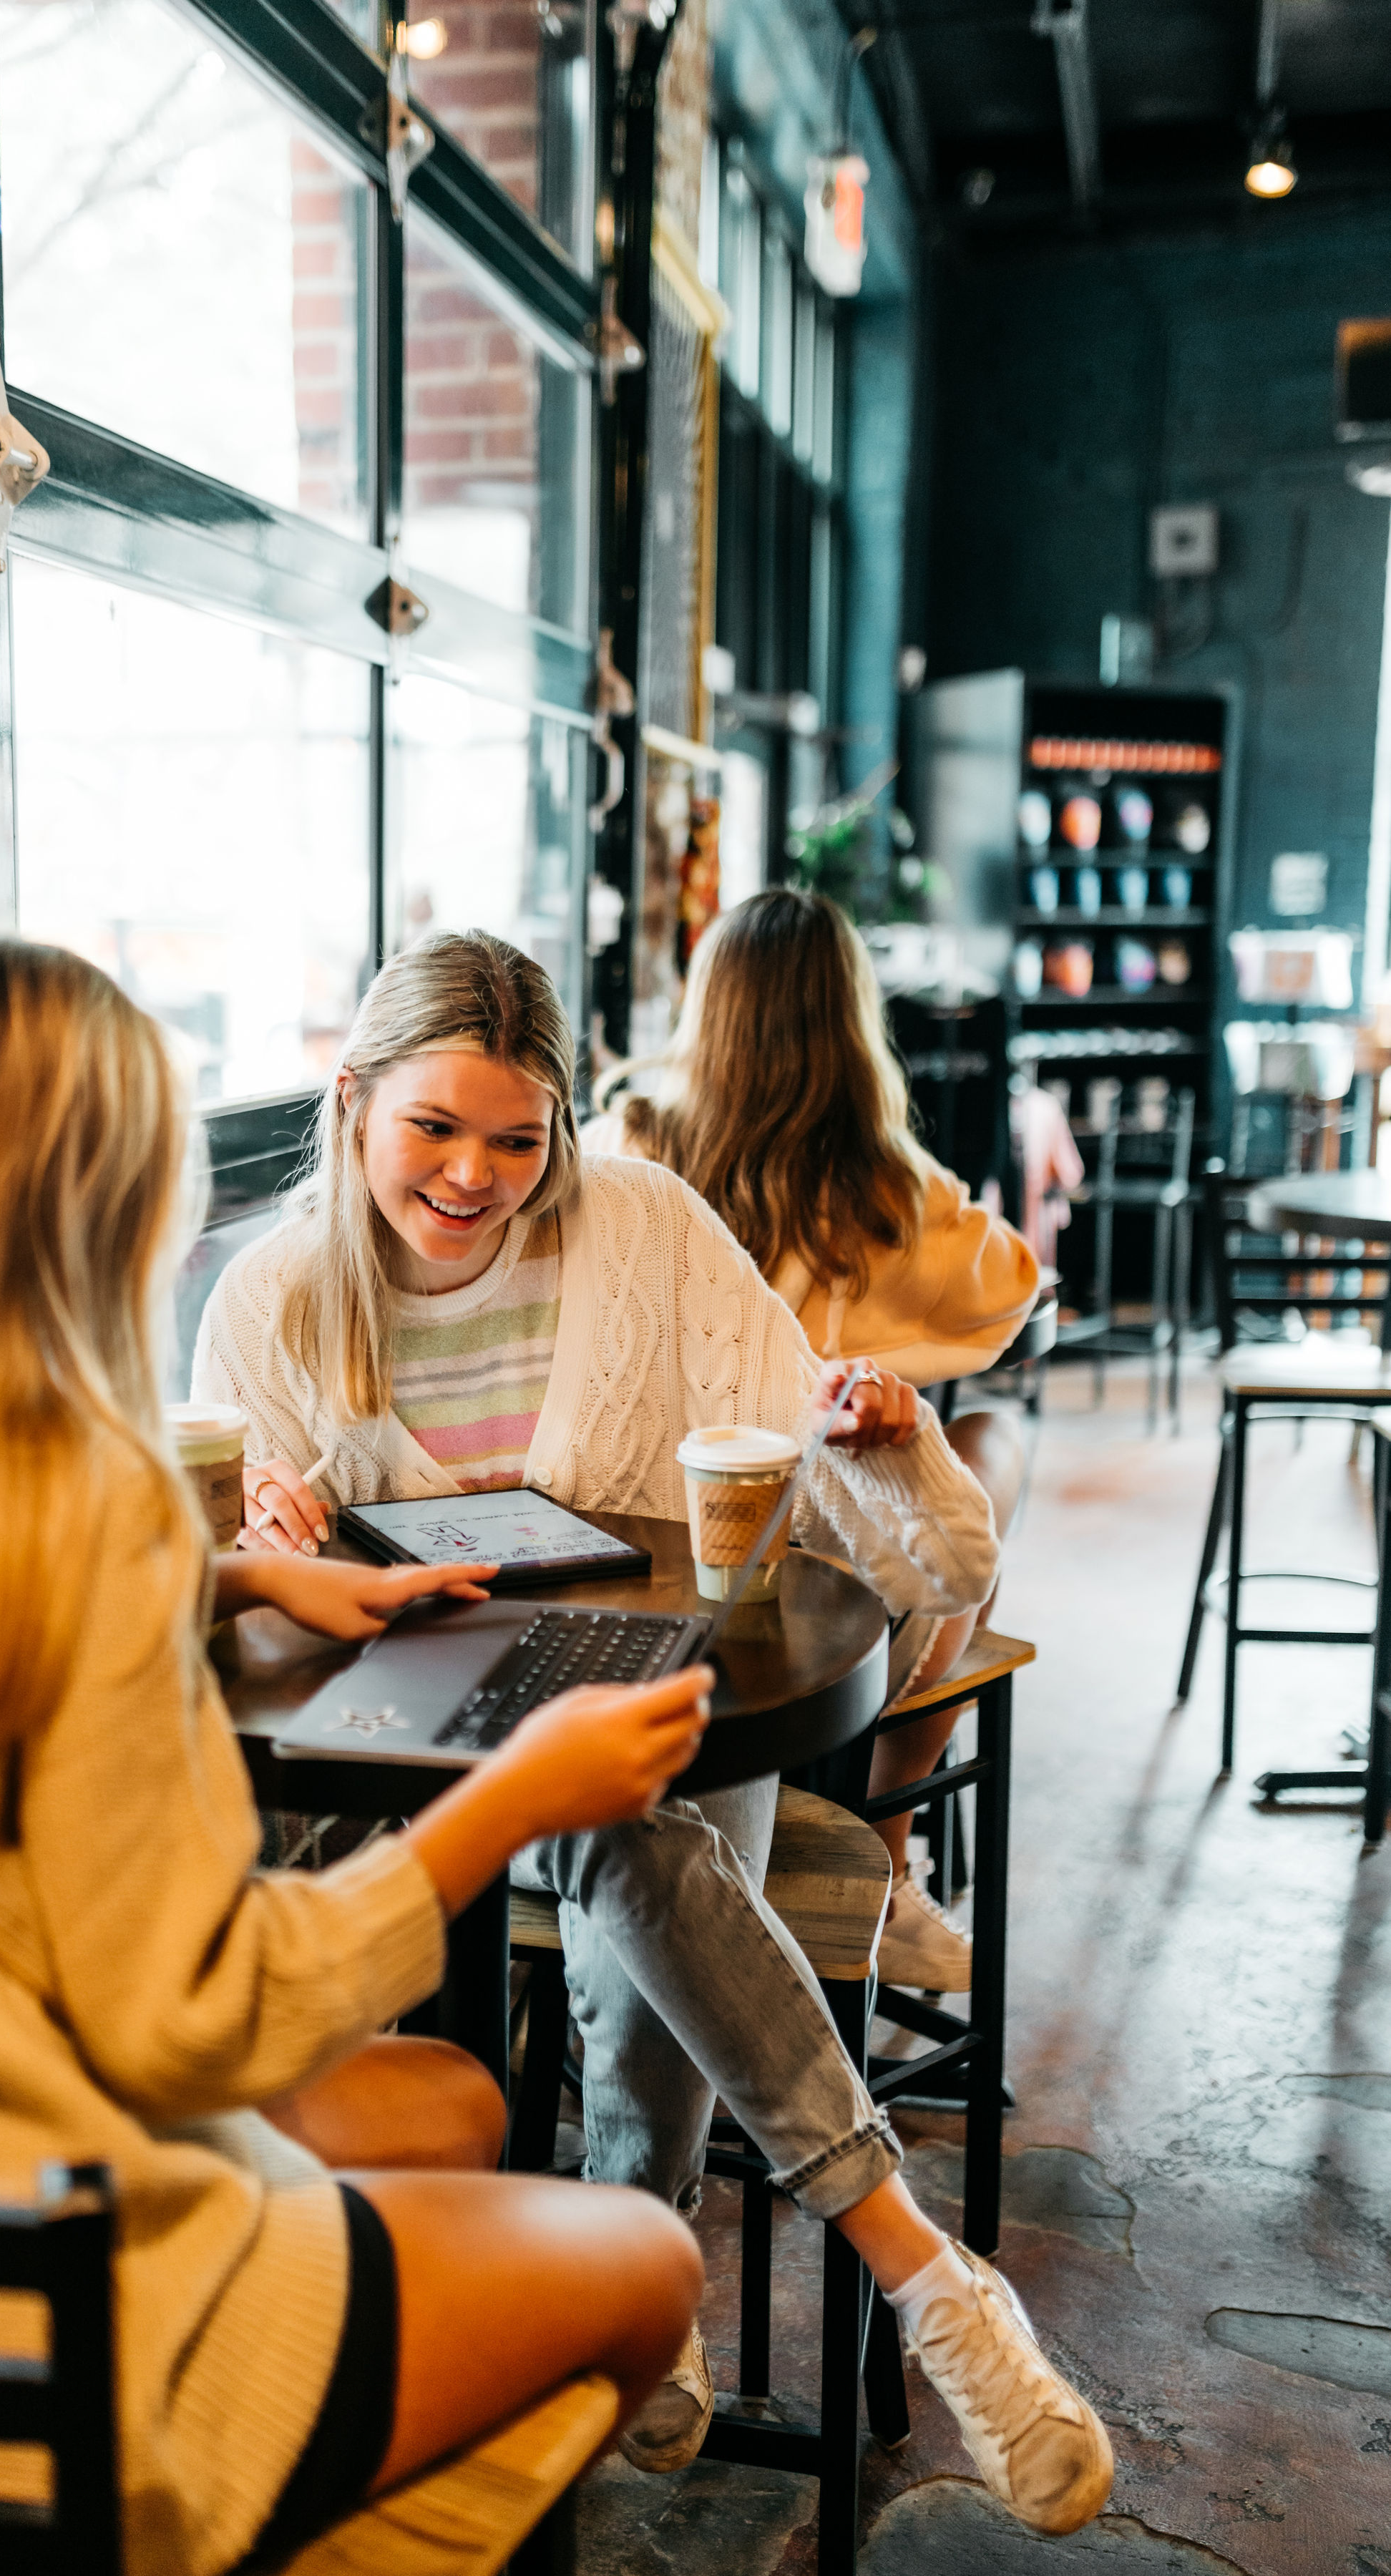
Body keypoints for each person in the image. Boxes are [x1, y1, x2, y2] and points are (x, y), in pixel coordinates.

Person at [0, 921, 718, 2576]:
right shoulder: (76, 1504)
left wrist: (223, 1572)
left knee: (450, 2100)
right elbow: (197, 2022)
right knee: (647, 2266)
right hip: (33, 2361)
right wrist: (511, 1800)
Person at [194, 928, 1113, 2533]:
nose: (475, 1176)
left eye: (515, 1136)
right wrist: (271, 1539)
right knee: (646, 1830)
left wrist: (870, 1439)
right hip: (390, 1766)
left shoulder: (645, 1228)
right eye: (434, 1129)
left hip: (622, 1687)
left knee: (635, 1812)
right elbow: (236, 1624)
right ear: (352, 1103)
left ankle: (649, 2254)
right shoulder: (267, 1302)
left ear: (563, 1124)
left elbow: (928, 1553)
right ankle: (860, 2267)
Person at [586, 889, 1041, 1994]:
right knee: (988, 1441)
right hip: (843, 1608)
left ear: (708, 1010)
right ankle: (887, 1848)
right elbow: (1014, 1288)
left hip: (668, 1562)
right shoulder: (891, 1188)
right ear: (853, 1020)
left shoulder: (632, 1143)